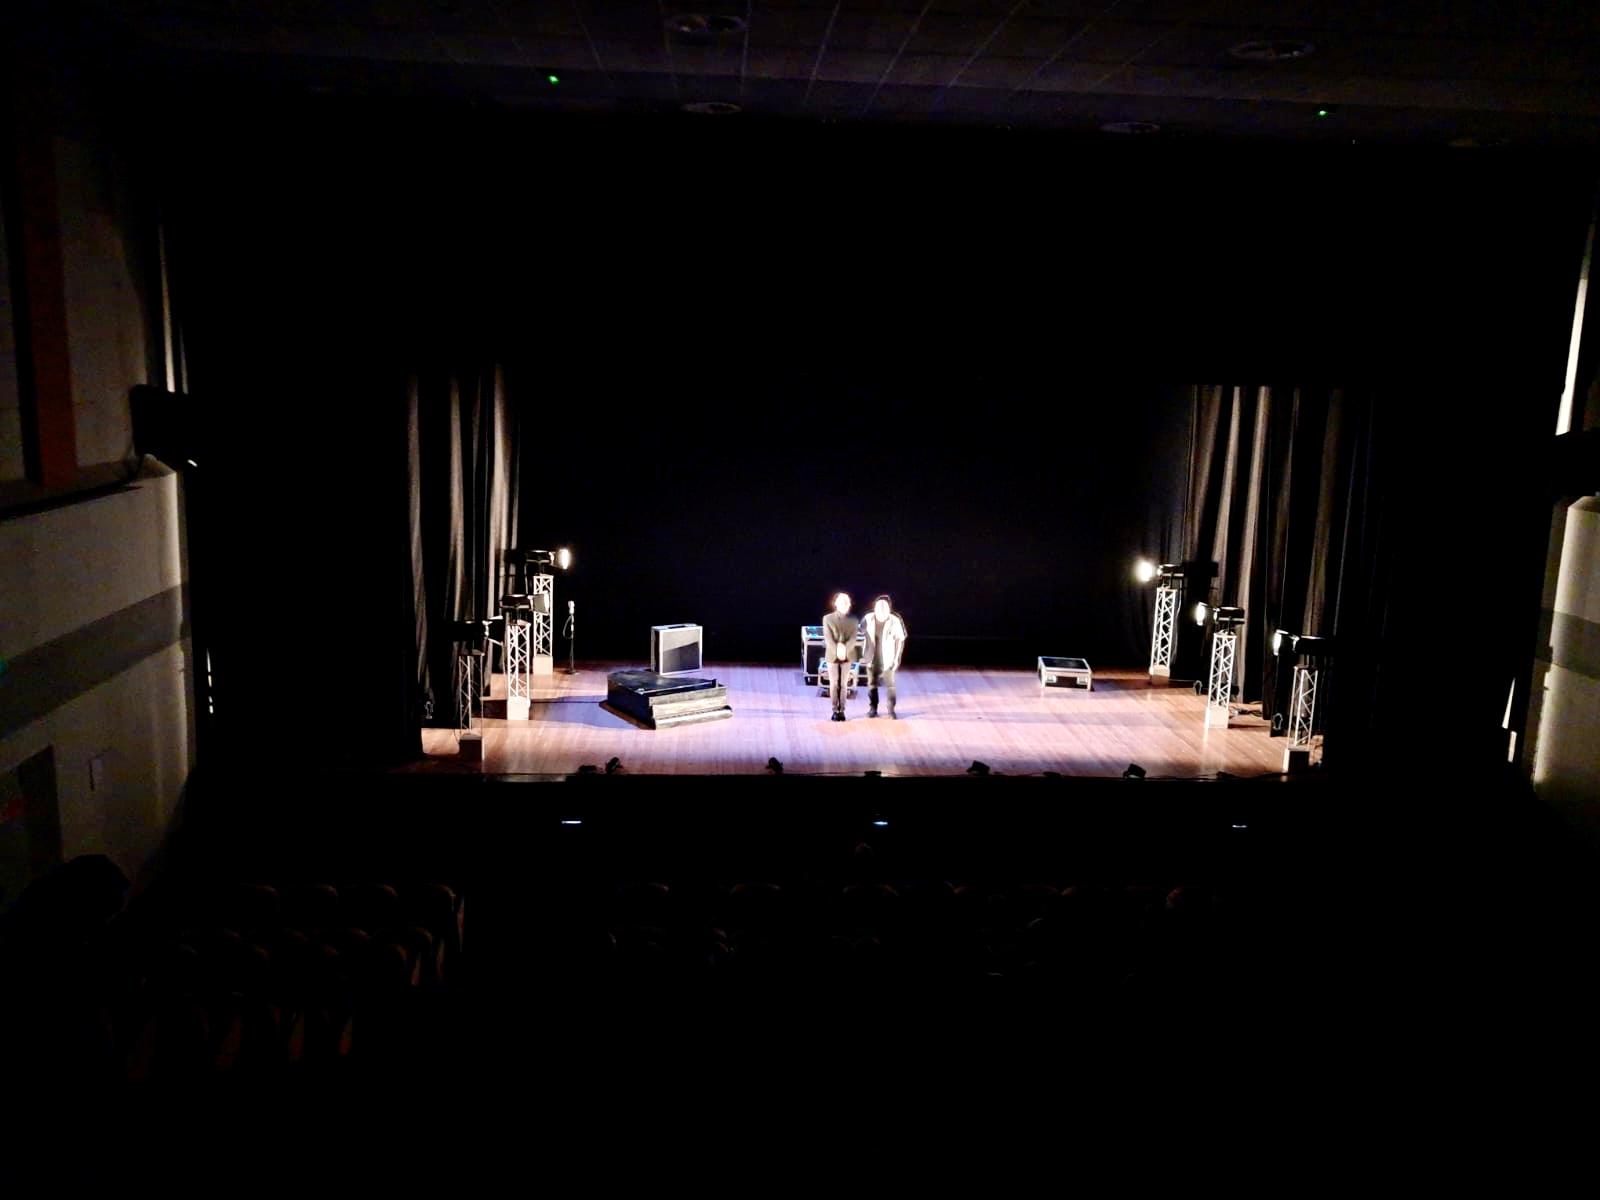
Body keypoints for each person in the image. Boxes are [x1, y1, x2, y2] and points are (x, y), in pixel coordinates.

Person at [861, 594, 907, 718]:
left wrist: (897, 658)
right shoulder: (868, 618)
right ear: (874, 608)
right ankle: (873, 708)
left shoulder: (895, 620)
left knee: (890, 685)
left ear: (888, 609)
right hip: (872, 658)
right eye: (879, 607)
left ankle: (891, 710)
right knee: (872, 685)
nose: (881, 609)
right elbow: (859, 632)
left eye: (884, 607)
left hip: (888, 659)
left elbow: (901, 639)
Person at [822, 592, 859, 722]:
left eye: (846, 602)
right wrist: (837, 650)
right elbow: (828, 638)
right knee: (833, 683)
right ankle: (834, 710)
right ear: (836, 604)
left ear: (849, 605)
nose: (844, 604)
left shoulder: (853, 620)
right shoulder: (827, 618)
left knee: (843, 684)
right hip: (832, 655)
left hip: (847, 656)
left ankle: (842, 710)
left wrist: (845, 650)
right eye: (841, 602)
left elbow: (853, 639)